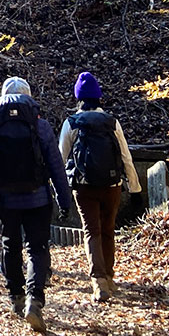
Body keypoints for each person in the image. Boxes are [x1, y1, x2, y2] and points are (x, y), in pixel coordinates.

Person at [0, 76, 72, 334]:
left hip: (5, 198)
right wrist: (65, 201)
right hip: (38, 197)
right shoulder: (40, 126)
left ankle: (16, 297)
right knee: (38, 248)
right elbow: (56, 166)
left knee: (11, 244)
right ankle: (35, 300)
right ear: (29, 96)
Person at [59, 71, 142, 303]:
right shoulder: (111, 122)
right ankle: (109, 276)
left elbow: (59, 158)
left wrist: (57, 190)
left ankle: (98, 282)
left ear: (78, 98)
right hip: (112, 184)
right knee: (108, 230)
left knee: (91, 231)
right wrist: (135, 189)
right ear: (99, 97)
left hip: (84, 187)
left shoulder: (71, 123)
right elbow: (126, 157)